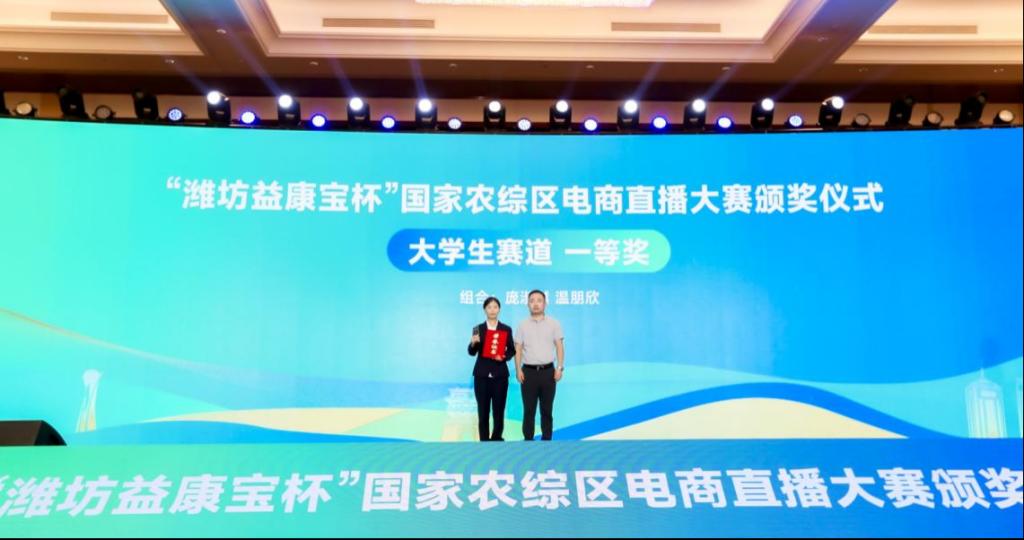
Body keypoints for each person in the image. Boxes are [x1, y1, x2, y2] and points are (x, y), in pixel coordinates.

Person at [514, 290, 564, 441]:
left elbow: (559, 346)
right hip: (528, 373)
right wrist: (518, 369)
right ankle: (528, 442)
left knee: (547, 410)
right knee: (529, 410)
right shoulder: (522, 325)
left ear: (545, 303)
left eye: (539, 300)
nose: (535, 304)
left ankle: (547, 441)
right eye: (532, 301)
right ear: (528, 304)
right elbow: (518, 348)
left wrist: (560, 368)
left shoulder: (554, 323)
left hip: (548, 372)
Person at [467, 296, 516, 441]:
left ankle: (496, 438)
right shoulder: (478, 329)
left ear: (499, 309)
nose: (492, 310)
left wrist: (503, 356)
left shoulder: (506, 329)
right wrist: (473, 343)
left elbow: (512, 350)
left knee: (499, 411)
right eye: (489, 307)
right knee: (483, 411)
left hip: (500, 376)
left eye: (495, 307)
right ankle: (484, 441)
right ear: (484, 310)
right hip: (481, 376)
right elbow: (471, 352)